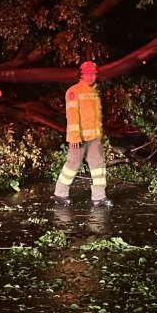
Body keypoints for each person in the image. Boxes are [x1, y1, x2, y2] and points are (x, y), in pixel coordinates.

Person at [53, 61, 112, 207]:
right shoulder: (74, 92)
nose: (91, 77)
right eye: (88, 74)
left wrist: (99, 135)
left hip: (94, 137)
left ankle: (99, 197)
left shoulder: (94, 92)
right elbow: (72, 116)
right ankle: (60, 193)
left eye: (94, 74)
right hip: (78, 137)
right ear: (82, 74)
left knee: (98, 166)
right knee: (72, 164)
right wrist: (74, 137)